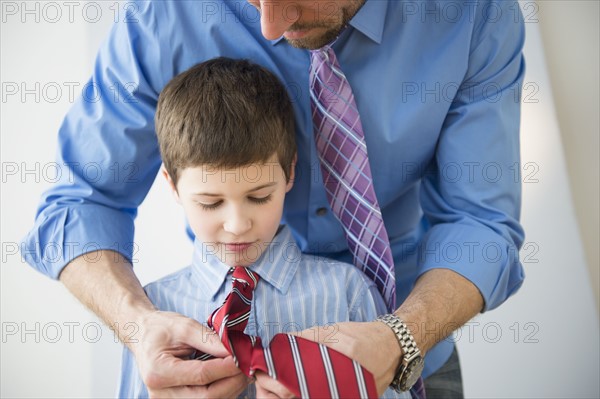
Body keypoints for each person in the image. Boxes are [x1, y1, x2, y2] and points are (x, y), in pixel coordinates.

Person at [22, 1, 526, 398]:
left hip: (414, 350)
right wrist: (136, 325)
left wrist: (401, 338)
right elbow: (79, 206)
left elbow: (479, 222)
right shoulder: (162, 15)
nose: (267, 24)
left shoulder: (473, 14)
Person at [117, 56, 411, 399]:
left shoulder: (349, 294)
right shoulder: (152, 312)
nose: (238, 225)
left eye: (258, 197)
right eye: (211, 203)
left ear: (289, 173)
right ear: (172, 186)